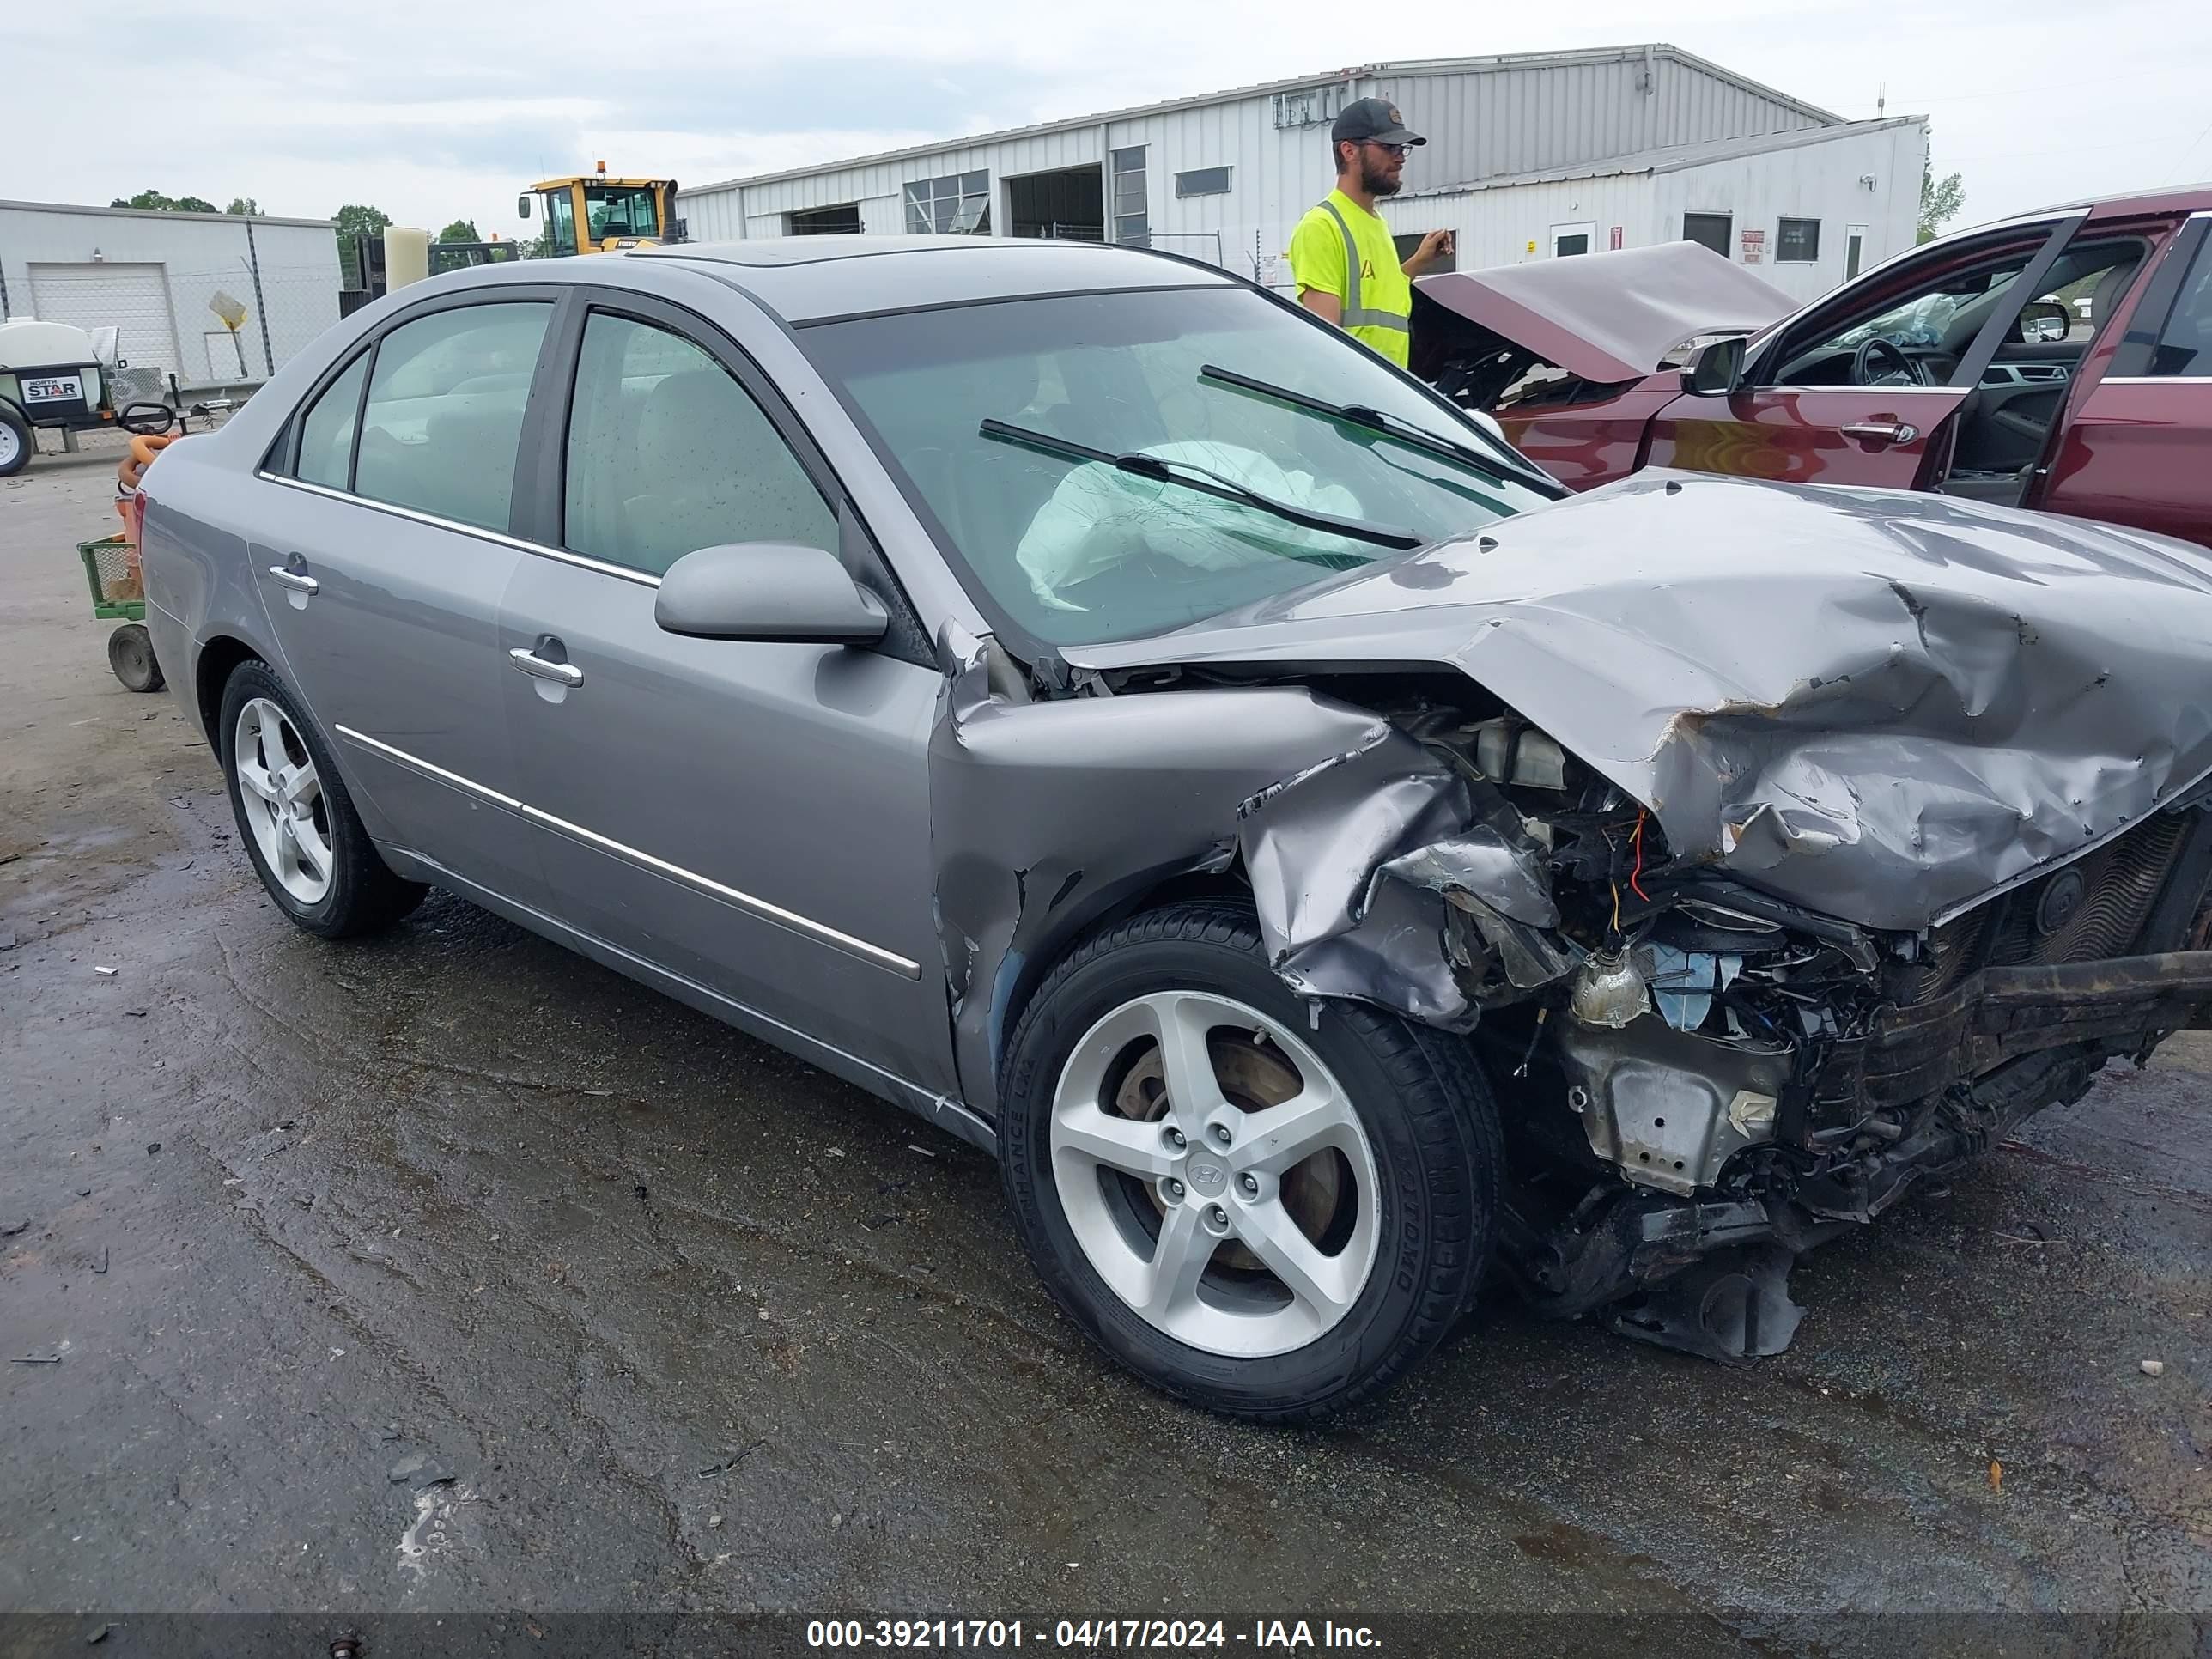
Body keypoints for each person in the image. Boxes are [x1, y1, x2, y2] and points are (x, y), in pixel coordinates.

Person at [1288, 98, 1453, 368]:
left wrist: (1418, 263)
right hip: (1347, 401)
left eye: (1402, 148)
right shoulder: (1322, 226)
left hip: (1380, 395)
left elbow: (1384, 301)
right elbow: (1323, 344)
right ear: (1349, 151)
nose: (1399, 158)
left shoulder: (1376, 223)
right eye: (1388, 147)